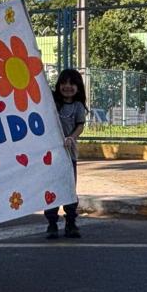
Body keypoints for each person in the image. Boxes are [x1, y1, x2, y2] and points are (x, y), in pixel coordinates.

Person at [45, 68, 87, 239]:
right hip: (51, 156)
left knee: (69, 187)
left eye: (72, 83)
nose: (67, 87)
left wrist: (71, 137)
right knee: (52, 188)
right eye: (64, 83)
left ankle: (71, 222)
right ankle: (52, 223)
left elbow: (80, 126)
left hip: (69, 155)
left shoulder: (78, 106)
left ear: (78, 87)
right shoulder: (51, 103)